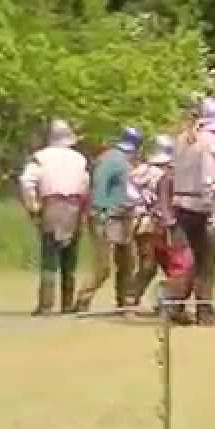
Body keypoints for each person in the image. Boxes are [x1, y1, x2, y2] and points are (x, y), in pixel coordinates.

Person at [170, 97, 215, 326]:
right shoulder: (210, 142)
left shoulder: (182, 139)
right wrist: (213, 208)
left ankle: (175, 304)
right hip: (201, 206)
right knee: (206, 261)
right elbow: (209, 177)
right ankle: (204, 311)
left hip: (181, 203)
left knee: (186, 260)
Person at [20, 119, 91, 315]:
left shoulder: (40, 157)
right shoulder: (80, 159)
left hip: (51, 206)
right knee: (70, 258)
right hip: (75, 206)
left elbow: (26, 181)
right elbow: (85, 184)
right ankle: (67, 304)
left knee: (50, 256)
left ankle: (46, 304)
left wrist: (32, 205)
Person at [75, 127, 143, 312]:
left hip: (122, 216)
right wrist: (101, 211)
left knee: (127, 261)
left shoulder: (121, 160)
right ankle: (83, 299)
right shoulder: (112, 160)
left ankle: (124, 302)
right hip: (105, 216)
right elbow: (99, 185)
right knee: (103, 266)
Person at [129, 135, 192, 308]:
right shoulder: (162, 175)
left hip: (146, 223)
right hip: (153, 223)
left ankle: (169, 302)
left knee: (159, 265)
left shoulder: (137, 171)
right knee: (156, 265)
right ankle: (133, 299)